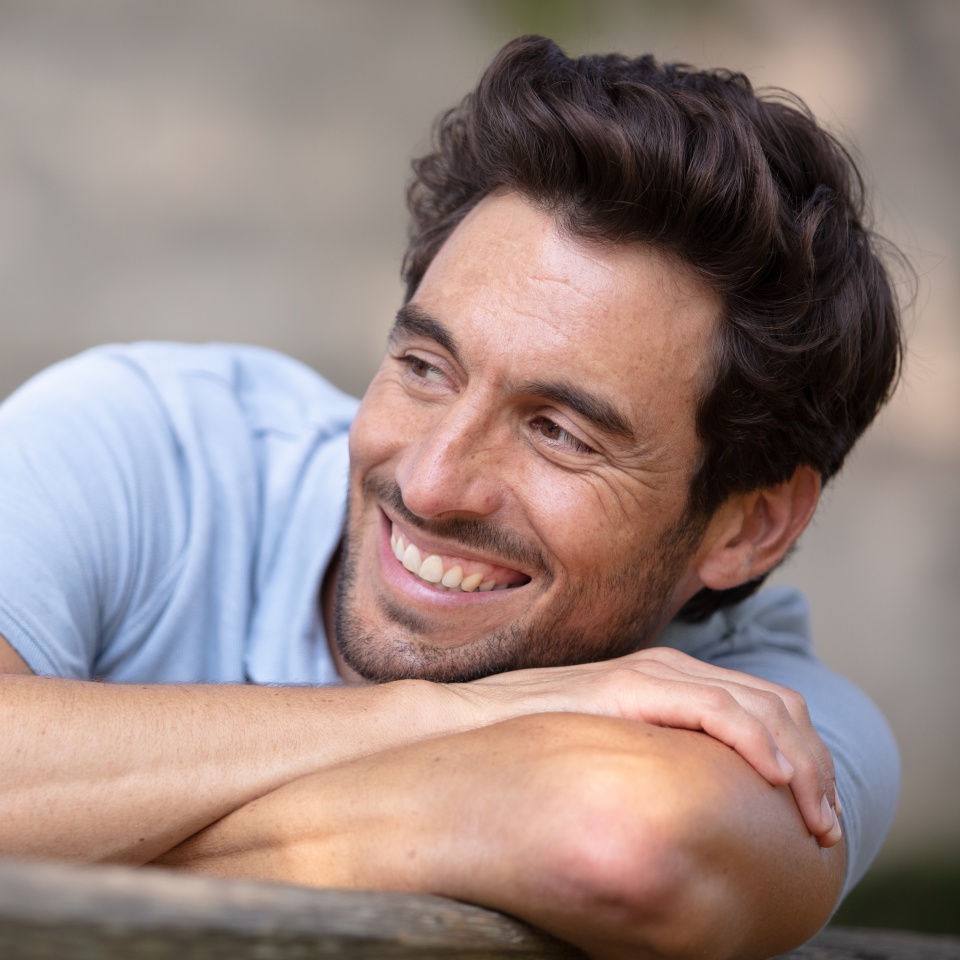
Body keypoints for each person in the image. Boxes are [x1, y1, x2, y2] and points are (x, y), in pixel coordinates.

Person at [0, 36, 903, 960]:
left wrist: (70, 824)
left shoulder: (780, 719)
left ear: (751, 524)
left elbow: (620, 846)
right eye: (427, 368)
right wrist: (461, 714)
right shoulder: (148, 444)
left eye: (559, 431)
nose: (431, 483)